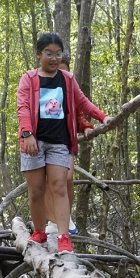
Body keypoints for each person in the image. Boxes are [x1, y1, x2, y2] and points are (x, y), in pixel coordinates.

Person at [17, 33, 112, 253]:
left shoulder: (67, 80)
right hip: (34, 142)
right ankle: (39, 232)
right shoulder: (29, 79)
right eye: (48, 53)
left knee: (59, 187)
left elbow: (83, 103)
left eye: (58, 54)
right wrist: (27, 133)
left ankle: (63, 237)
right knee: (36, 190)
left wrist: (102, 117)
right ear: (38, 54)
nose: (54, 58)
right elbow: (22, 107)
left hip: (60, 142)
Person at [44, 52, 95, 235]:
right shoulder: (44, 89)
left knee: (66, 177)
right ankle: (53, 221)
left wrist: (87, 127)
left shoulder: (69, 88)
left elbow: (79, 114)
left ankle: (65, 216)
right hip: (47, 142)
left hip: (66, 142)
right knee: (50, 181)